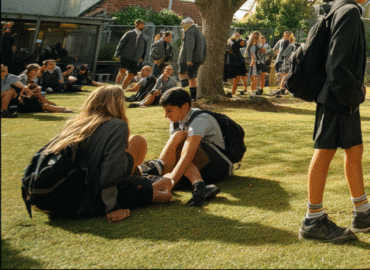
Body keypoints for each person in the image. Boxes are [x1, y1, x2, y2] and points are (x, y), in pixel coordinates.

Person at [299, 0, 370, 244]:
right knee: (324, 152)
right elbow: (337, 63)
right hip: (338, 97)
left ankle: (362, 212)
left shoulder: (336, 7)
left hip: (337, 95)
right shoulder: (350, 11)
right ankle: (312, 219)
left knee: (354, 150)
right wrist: (354, 94)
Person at [38, 85, 173, 221]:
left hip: (61, 196)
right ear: (117, 104)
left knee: (159, 182)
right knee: (164, 188)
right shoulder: (117, 125)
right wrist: (112, 207)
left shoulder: (76, 123)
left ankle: (141, 182)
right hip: (91, 199)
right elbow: (110, 172)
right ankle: (140, 183)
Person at [138, 87, 228, 207]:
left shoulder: (201, 119)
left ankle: (158, 169)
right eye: (165, 111)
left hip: (218, 166)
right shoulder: (176, 121)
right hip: (199, 167)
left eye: (169, 111)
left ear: (185, 106)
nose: (166, 116)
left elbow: (187, 153)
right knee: (178, 141)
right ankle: (199, 185)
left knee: (181, 137)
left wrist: (170, 182)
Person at [178, 18, 207, 101]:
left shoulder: (190, 31)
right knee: (192, 77)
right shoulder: (199, 32)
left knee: (183, 74)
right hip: (198, 59)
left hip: (187, 58)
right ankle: (193, 97)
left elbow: (189, 46)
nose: (182, 25)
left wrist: (189, 59)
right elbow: (204, 47)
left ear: (189, 23)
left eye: (183, 23)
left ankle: (184, 96)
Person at [116, 20, 149, 89]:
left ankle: (123, 88)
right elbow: (121, 43)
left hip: (136, 58)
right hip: (126, 56)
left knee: (132, 74)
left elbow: (145, 48)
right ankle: (115, 88)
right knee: (122, 72)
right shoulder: (129, 33)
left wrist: (142, 57)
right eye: (142, 24)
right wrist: (117, 54)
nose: (143, 25)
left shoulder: (144, 36)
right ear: (137, 24)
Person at [272, 31, 296, 97]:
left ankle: (282, 89)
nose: (287, 36)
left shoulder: (291, 44)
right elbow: (275, 49)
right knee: (281, 75)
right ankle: (281, 89)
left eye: (288, 35)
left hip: (284, 61)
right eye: (286, 35)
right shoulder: (282, 41)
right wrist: (277, 52)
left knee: (283, 75)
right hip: (281, 60)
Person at [245, 31, 270, 96]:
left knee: (256, 77)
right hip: (253, 63)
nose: (256, 38)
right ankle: (253, 92)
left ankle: (255, 92)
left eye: (257, 37)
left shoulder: (258, 45)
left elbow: (264, 51)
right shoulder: (250, 44)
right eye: (254, 36)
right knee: (253, 77)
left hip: (256, 63)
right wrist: (252, 61)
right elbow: (251, 54)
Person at [227, 31, 249, 96]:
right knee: (239, 75)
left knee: (241, 75)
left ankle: (235, 91)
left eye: (238, 34)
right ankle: (236, 90)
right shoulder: (230, 41)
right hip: (233, 59)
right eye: (235, 34)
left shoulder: (241, 41)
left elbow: (243, 45)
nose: (237, 35)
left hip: (239, 59)